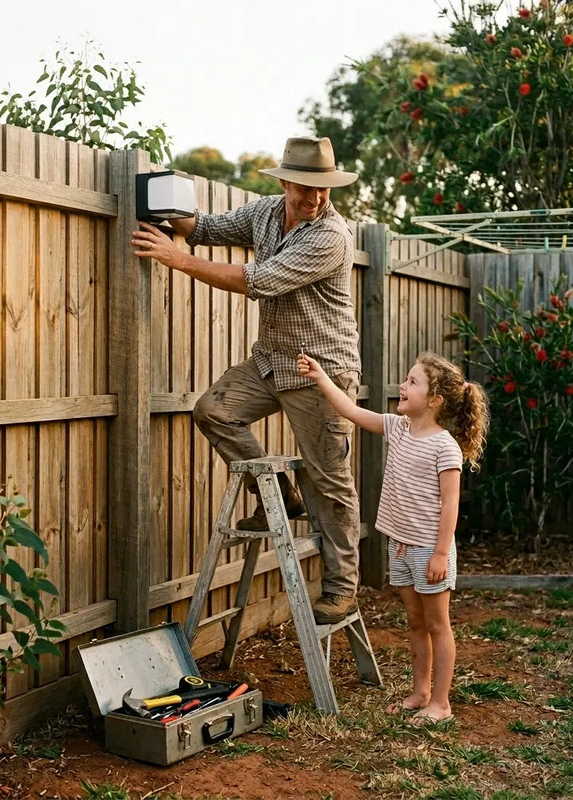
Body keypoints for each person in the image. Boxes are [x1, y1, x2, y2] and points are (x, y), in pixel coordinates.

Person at [131, 136, 362, 624]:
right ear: (284, 181)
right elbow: (205, 227)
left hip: (322, 370)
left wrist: (176, 260)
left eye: (323, 190)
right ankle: (278, 490)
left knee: (331, 481)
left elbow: (255, 280)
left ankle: (341, 589)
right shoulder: (265, 212)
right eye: (306, 188)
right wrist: (165, 201)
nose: (315, 198)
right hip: (272, 360)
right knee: (214, 410)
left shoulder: (330, 237)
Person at [297, 350, 489, 725]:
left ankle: (441, 702)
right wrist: (321, 378)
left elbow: (450, 506)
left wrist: (439, 553)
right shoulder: (398, 428)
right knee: (415, 623)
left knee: (437, 625)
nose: (402, 385)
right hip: (399, 546)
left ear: (434, 401)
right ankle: (420, 693)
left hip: (429, 550)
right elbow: (352, 412)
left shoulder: (443, 446)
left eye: (412, 382)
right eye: (406, 378)